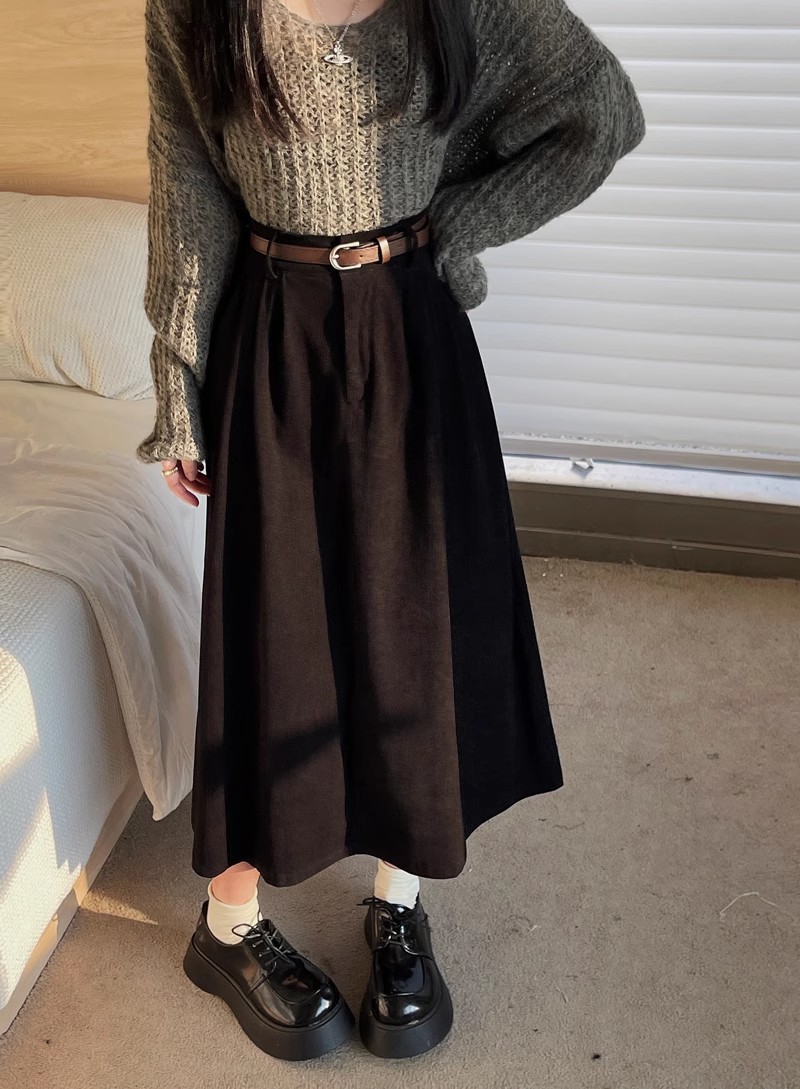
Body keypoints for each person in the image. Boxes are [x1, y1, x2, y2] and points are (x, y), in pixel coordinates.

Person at [135, 0, 646, 1062]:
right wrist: (179, 381)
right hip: (271, 339)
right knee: (274, 631)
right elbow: (187, 180)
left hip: (412, 334)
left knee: (414, 621)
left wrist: (458, 221)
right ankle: (228, 923)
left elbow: (600, 112)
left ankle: (398, 900)